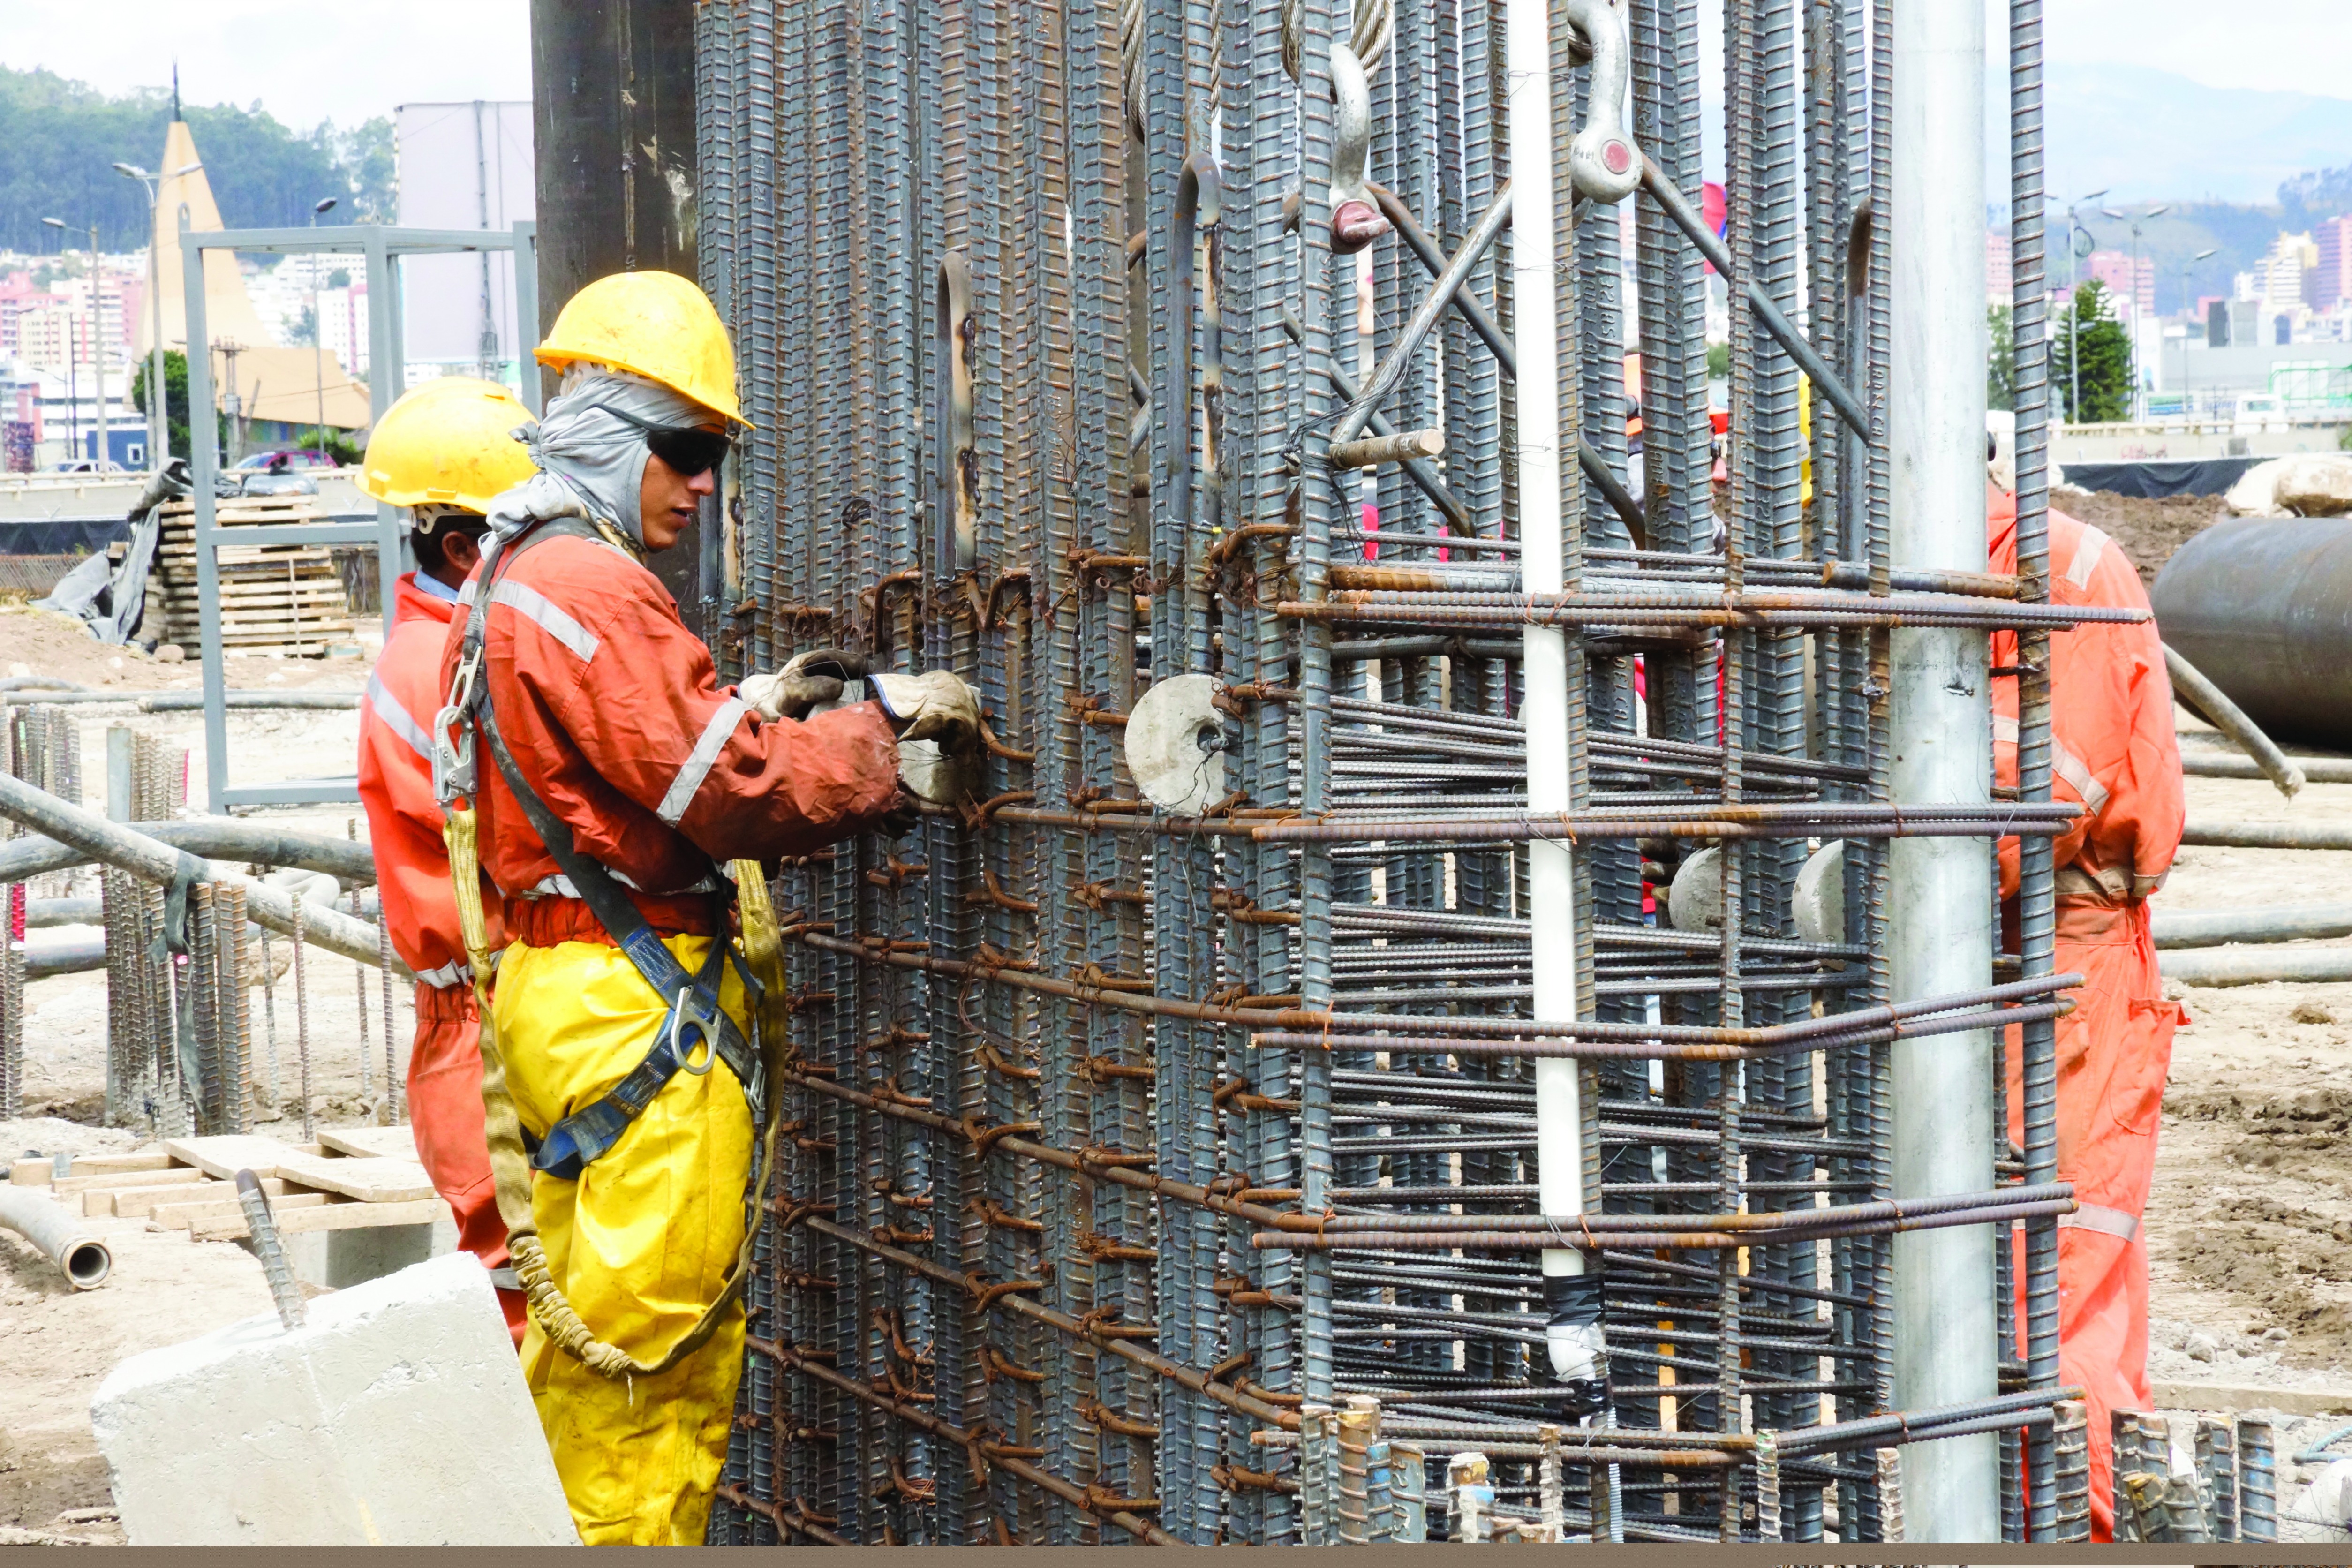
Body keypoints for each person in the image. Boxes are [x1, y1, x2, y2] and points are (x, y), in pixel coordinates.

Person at [432, 270, 979, 1545]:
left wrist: (747, 703)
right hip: (634, 1018)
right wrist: (882, 738)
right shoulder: (592, 585)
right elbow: (723, 795)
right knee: (652, 1372)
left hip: (573, 1001)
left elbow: (632, 763)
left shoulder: (519, 568)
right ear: (615, 439)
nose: (704, 482)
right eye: (685, 451)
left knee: (588, 1356)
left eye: (714, 452)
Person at [1987, 416, 2188, 1541]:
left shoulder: (2053, 569)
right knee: (2043, 1248)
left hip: (2066, 949)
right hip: (2012, 943)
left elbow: (2036, 801)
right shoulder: (1983, 570)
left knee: (2059, 1252)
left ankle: (2078, 1522)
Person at [353, 376, 539, 1342]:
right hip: (487, 1025)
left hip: (485, 1017)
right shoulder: (440, 668)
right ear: (467, 548)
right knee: (525, 1299)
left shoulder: (443, 651)